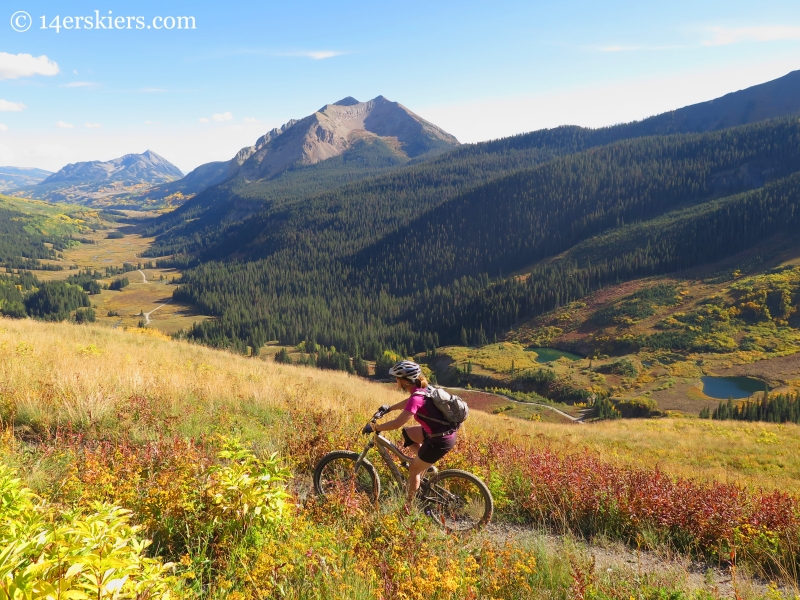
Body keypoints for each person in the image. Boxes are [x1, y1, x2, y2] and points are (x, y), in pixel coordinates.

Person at [364, 360, 459, 506]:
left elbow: (397, 423)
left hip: (439, 441)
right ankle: (424, 465)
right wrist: (389, 408)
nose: (395, 380)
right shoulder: (423, 390)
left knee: (413, 470)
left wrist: (376, 428)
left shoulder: (416, 397)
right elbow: (409, 402)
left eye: (397, 378)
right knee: (407, 433)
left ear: (405, 381)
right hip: (441, 433)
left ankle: (409, 507)